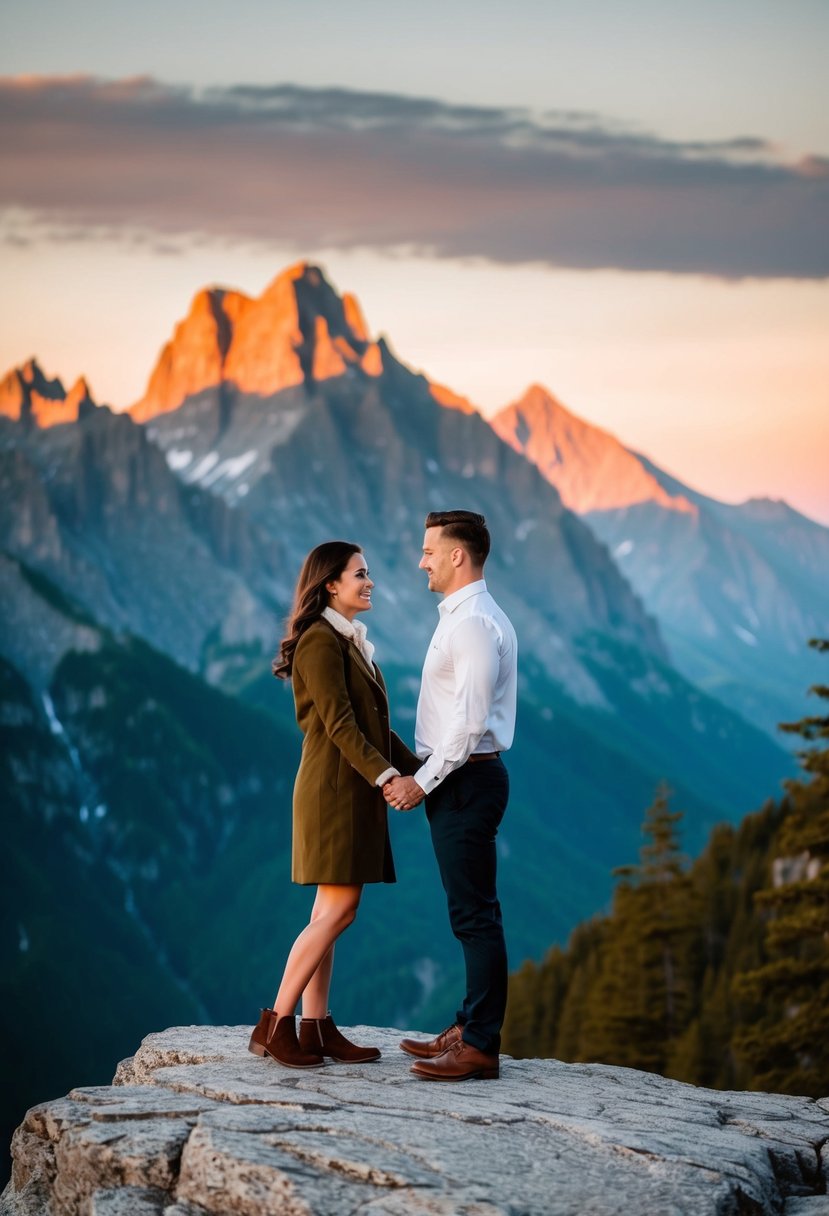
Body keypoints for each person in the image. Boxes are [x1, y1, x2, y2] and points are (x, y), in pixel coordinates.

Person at [248, 540, 419, 1068]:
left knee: (330, 910)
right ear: (331, 584)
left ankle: (316, 1026)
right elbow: (341, 725)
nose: (370, 583)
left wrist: (424, 772)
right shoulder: (321, 641)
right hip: (334, 791)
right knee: (340, 909)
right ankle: (276, 1025)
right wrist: (389, 778)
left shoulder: (347, 640)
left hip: (347, 788)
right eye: (360, 574)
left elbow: (376, 728)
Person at [384, 510, 518, 1081]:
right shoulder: (469, 617)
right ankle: (469, 1027)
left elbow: (467, 725)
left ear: (457, 554)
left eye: (429, 550)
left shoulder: (472, 625)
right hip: (464, 779)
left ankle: (480, 1046)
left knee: (475, 917)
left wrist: (422, 781)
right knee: (472, 912)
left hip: (464, 780)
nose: (422, 561)